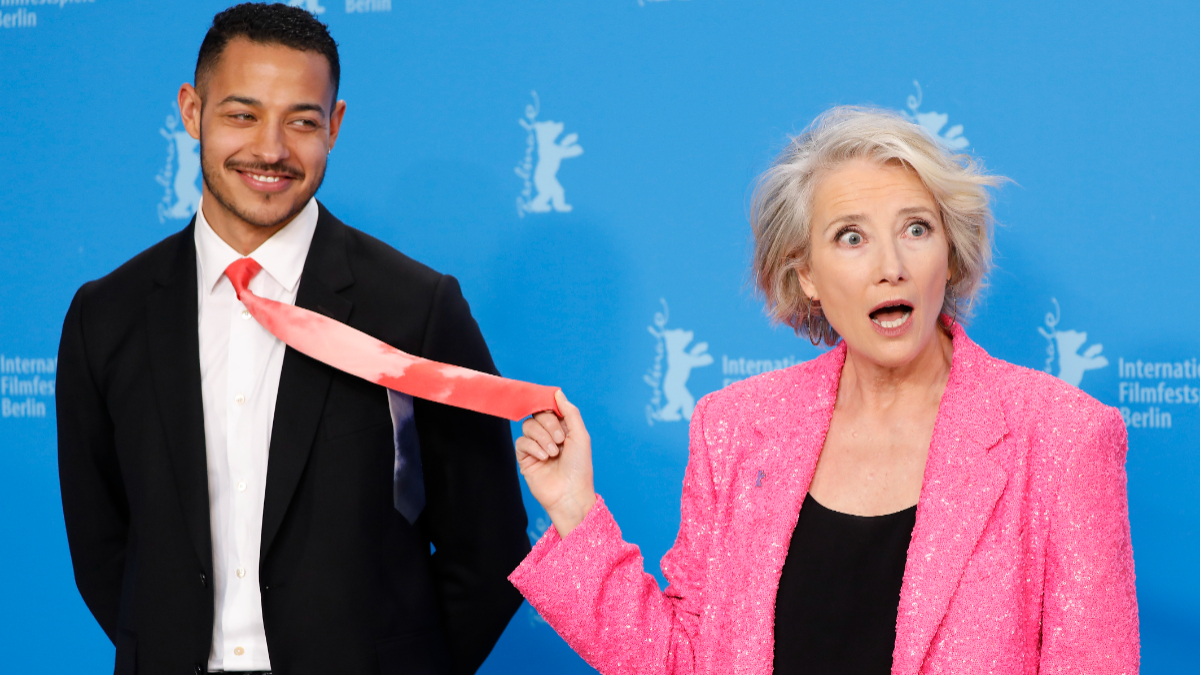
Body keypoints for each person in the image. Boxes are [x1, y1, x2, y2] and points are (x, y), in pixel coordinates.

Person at [510, 107, 1139, 674]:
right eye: (851, 237)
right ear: (805, 273)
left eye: (916, 229)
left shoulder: (1063, 437)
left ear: (949, 254)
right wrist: (571, 507)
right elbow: (683, 660)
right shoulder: (734, 427)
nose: (890, 264)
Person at [56, 5, 529, 674]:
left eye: (302, 121)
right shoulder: (105, 315)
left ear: (334, 127)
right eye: (242, 115)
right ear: (192, 111)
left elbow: (489, 544)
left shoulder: (415, 308)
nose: (271, 150)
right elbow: (103, 547)